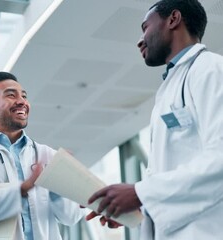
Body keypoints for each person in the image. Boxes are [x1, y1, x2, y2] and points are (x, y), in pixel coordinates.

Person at [87, 0, 223, 239]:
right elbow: (175, 170)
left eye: (145, 27)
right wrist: (140, 205)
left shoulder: (211, 69)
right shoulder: (172, 84)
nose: (140, 40)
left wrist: (141, 193)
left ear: (173, 19)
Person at [0, 72, 84, 239]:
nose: (22, 101)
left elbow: (71, 217)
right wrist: (22, 189)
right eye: (11, 95)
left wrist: (55, 187)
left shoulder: (49, 155)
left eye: (24, 96)